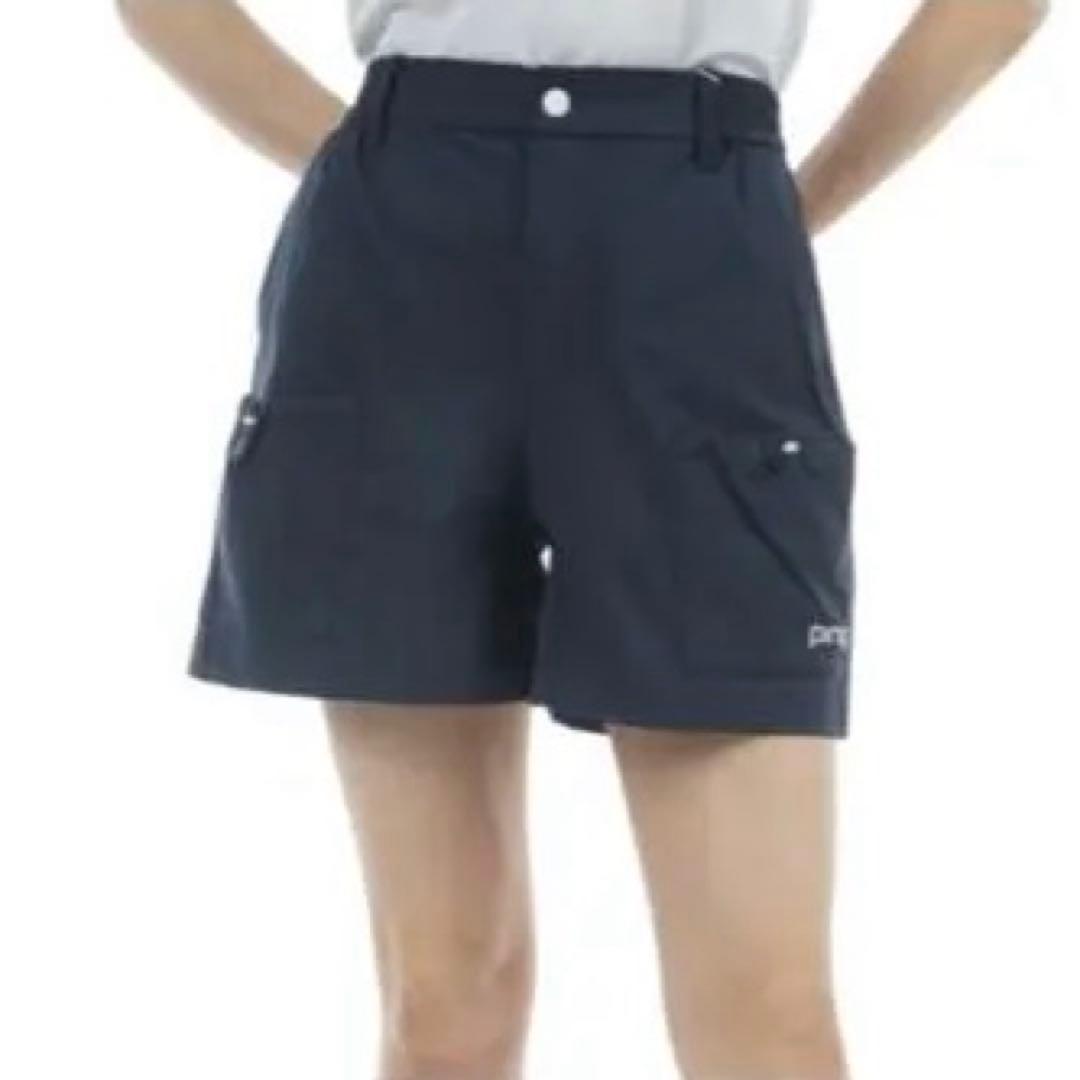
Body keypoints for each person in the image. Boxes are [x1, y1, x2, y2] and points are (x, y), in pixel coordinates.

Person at [117, 2, 1049, 1078]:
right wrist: (356, 166)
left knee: (767, 1014)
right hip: (403, 244)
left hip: (693, 225)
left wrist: (793, 207)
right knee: (446, 1003)